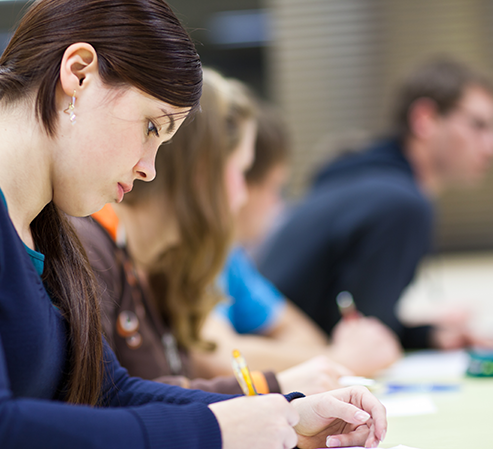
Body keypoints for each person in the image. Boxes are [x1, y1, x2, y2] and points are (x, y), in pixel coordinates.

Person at [0, 1, 388, 448]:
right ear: (79, 73)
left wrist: (290, 413)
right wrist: (219, 431)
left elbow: (109, 391)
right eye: (152, 128)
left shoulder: (50, 229)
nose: (149, 168)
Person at [71, 69, 352, 396]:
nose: (242, 196)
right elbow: (114, 402)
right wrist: (270, 388)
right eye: (241, 173)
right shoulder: (94, 247)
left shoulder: (158, 264)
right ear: (203, 171)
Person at [258, 57, 493, 350]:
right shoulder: (400, 203)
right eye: (478, 125)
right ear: (424, 119)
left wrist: (428, 334)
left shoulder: (368, 182)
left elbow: (357, 320)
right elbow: (364, 340)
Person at [201, 102, 402, 377]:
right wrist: (340, 359)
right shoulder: (197, 253)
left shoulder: (229, 257)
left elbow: (302, 334)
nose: (278, 205)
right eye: (274, 187)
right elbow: (217, 357)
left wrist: (328, 357)